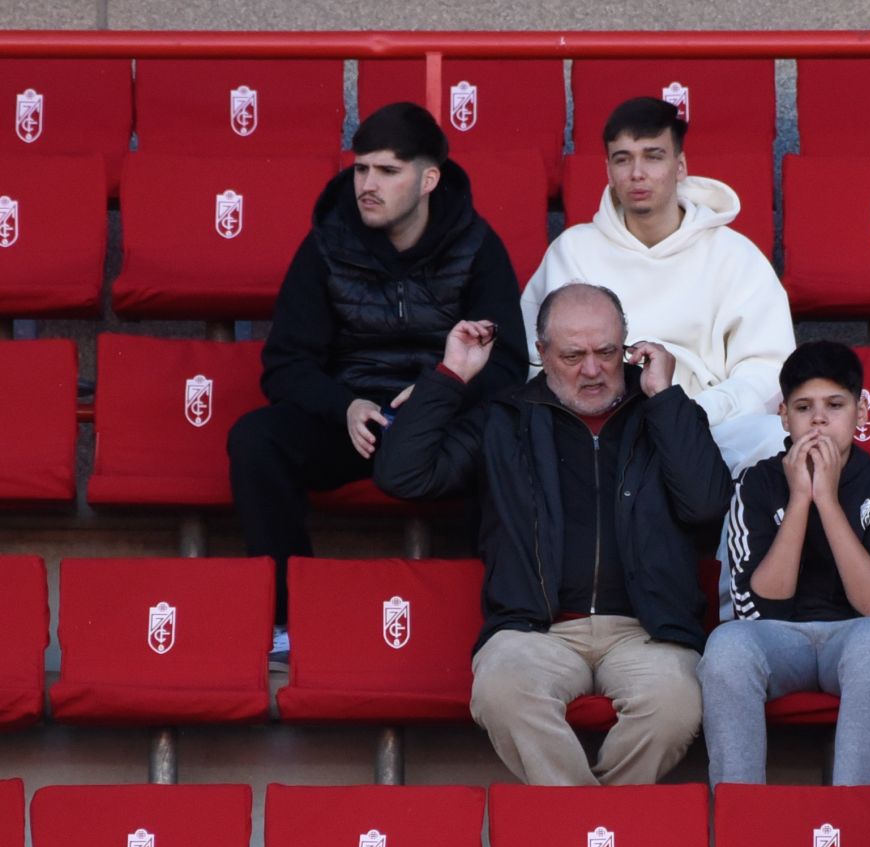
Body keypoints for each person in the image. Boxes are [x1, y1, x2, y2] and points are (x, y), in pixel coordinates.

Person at [372, 283, 731, 786]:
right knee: (501, 689)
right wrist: (450, 377)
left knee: (677, 701)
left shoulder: (664, 411)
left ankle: (580, 838)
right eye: (572, 355)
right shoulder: (504, 417)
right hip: (536, 631)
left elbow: (708, 505)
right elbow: (402, 475)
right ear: (541, 354)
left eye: (607, 352)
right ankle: (592, 832)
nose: (592, 369)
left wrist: (667, 397)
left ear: (627, 345)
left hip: (647, 630)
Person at [228, 101, 528, 661]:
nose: (368, 184)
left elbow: (509, 364)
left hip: (442, 422)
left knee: (504, 439)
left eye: (388, 171)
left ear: (428, 178)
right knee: (256, 439)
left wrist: (441, 391)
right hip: (357, 420)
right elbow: (285, 362)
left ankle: (498, 621)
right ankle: (288, 621)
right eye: (362, 168)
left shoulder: (477, 245)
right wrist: (343, 404)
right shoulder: (326, 244)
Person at [520, 96, 792, 476]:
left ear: (679, 167)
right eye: (622, 158)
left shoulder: (734, 254)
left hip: (709, 424)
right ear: (609, 171)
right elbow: (538, 358)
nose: (636, 173)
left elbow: (768, 366)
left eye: (653, 156)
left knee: (777, 441)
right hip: (597, 429)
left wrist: (696, 412)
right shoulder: (573, 250)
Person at [699, 342, 870, 786]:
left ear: (861, 413)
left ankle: (853, 820)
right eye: (804, 407)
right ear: (783, 417)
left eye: (835, 405)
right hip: (783, 637)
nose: (819, 419)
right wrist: (801, 497)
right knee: (727, 645)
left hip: (866, 634)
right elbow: (760, 608)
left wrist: (828, 498)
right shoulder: (756, 483)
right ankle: (735, 825)